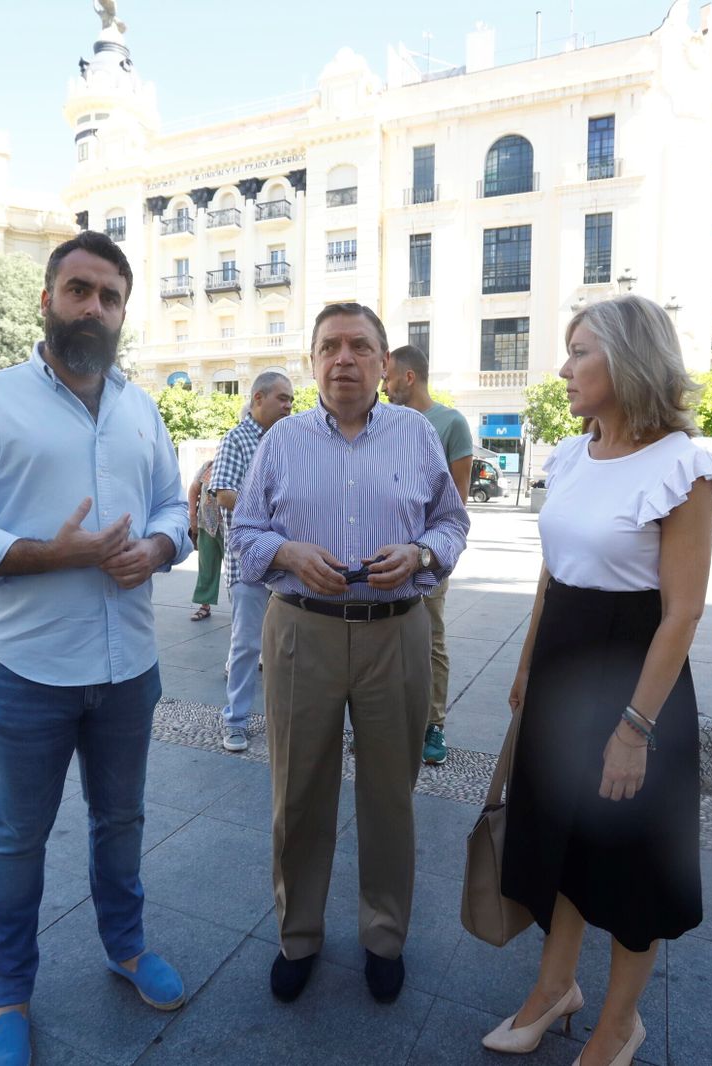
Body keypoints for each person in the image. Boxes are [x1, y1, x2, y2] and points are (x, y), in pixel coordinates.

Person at [0, 231, 192, 1066]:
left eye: (109, 296)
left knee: (122, 821)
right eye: (78, 290)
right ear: (47, 299)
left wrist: (157, 548)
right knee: (16, 838)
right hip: (25, 671)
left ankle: (126, 944)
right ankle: (9, 996)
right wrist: (48, 553)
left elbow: (175, 510)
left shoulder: (142, 408)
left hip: (127, 669)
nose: (94, 308)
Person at [486, 295, 712, 1066]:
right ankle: (554, 988)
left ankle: (619, 1023)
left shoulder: (684, 465)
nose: (563, 367)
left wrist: (635, 729)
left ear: (628, 360)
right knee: (555, 843)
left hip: (635, 686)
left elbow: (682, 613)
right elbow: (552, 574)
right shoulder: (567, 453)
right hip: (560, 670)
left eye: (579, 351)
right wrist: (526, 665)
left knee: (630, 866)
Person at [231, 302, 469, 1005]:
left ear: (384, 364)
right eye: (329, 346)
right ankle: (298, 935)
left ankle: (383, 935)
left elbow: (452, 522)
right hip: (301, 628)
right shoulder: (282, 441)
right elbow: (243, 533)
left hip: (397, 628)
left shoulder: (418, 434)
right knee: (298, 791)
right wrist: (286, 552)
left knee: (389, 795)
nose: (344, 359)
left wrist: (423, 551)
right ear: (312, 363)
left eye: (360, 347)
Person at [382, 344, 472, 766]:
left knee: (431, 637)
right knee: (385, 638)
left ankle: (433, 723)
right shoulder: (380, 422)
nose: (384, 385)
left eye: (388, 377)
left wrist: (426, 552)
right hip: (381, 558)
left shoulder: (450, 422)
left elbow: (457, 500)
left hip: (427, 559)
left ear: (409, 377)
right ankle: (386, 720)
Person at [207, 370, 294, 752]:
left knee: (289, 649)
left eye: (292, 400)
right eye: (283, 399)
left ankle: (286, 720)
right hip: (248, 565)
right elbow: (223, 493)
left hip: (287, 565)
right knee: (246, 647)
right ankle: (236, 721)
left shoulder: (288, 440)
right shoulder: (238, 439)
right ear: (258, 398)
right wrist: (266, 508)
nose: (290, 406)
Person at [187, 457, 221, 621]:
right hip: (206, 524)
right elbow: (194, 490)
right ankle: (204, 605)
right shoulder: (208, 466)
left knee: (237, 571)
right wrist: (192, 516)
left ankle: (241, 608)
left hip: (230, 527)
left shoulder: (242, 465)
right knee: (206, 565)